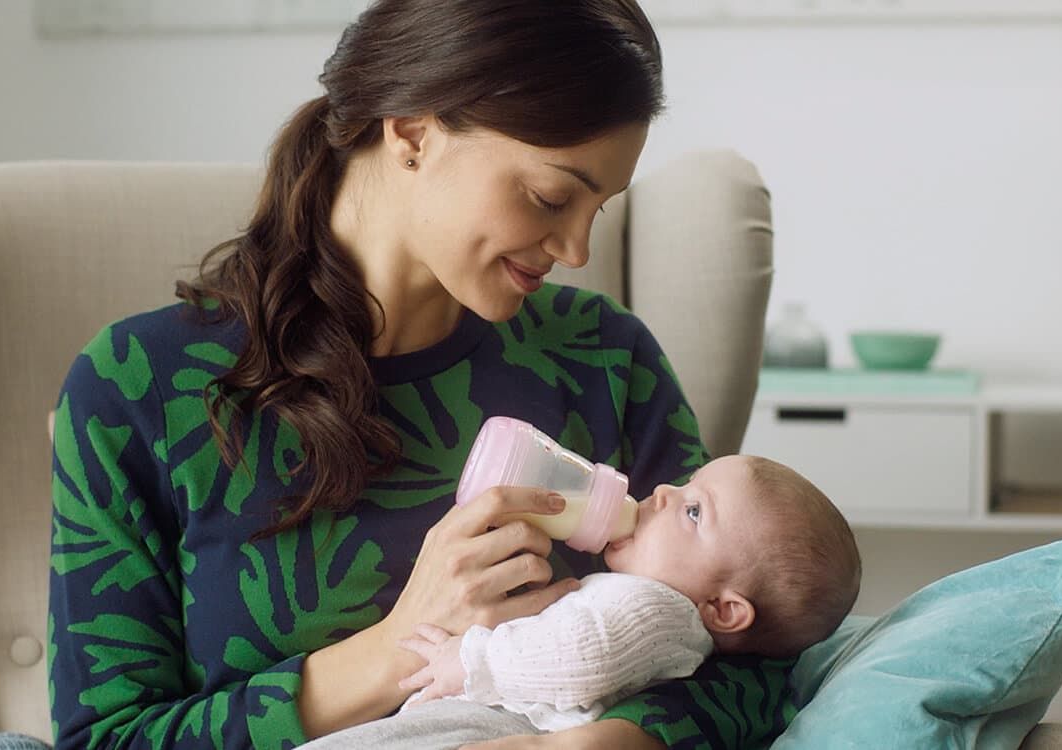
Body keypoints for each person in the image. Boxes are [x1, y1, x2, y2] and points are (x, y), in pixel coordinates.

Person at [47, 1, 799, 748]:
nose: (575, 248)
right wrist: (400, 645)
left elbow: (747, 658)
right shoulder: (136, 387)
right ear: (412, 132)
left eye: (596, 209)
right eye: (550, 198)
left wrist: (582, 747)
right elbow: (107, 740)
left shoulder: (603, 357)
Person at [297, 455, 861, 748]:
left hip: (508, 727)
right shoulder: (654, 599)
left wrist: (473, 658)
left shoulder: (658, 610)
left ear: (725, 610)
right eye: (686, 483)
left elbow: (583, 658)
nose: (664, 492)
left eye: (694, 510)